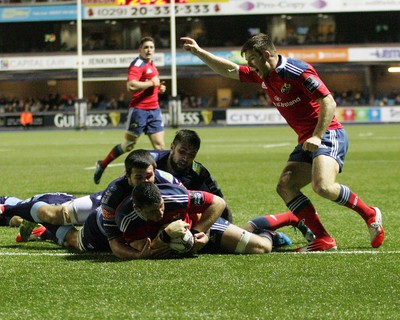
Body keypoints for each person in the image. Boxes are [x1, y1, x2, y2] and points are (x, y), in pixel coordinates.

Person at [181, 34, 384, 252]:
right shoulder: (263, 75)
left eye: (251, 59)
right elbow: (230, 70)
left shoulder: (297, 71)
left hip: (328, 134)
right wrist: (198, 52)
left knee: (323, 186)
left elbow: (328, 100)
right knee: (286, 186)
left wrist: (317, 135)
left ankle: (370, 214)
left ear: (266, 55)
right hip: (307, 140)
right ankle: (323, 239)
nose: (249, 64)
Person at [93, 36, 167, 185]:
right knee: (128, 145)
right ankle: (102, 164)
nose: (149, 50)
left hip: (154, 110)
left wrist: (158, 88)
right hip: (139, 111)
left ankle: (164, 184)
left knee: (160, 147)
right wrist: (152, 83)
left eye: (151, 47)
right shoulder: (137, 64)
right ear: (140, 49)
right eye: (146, 47)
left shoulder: (151, 64)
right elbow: (131, 85)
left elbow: (149, 86)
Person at [149, 129, 233, 222]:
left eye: (191, 155)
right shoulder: (151, 161)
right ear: (172, 147)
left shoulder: (199, 172)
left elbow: (219, 202)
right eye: (182, 152)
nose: (185, 158)